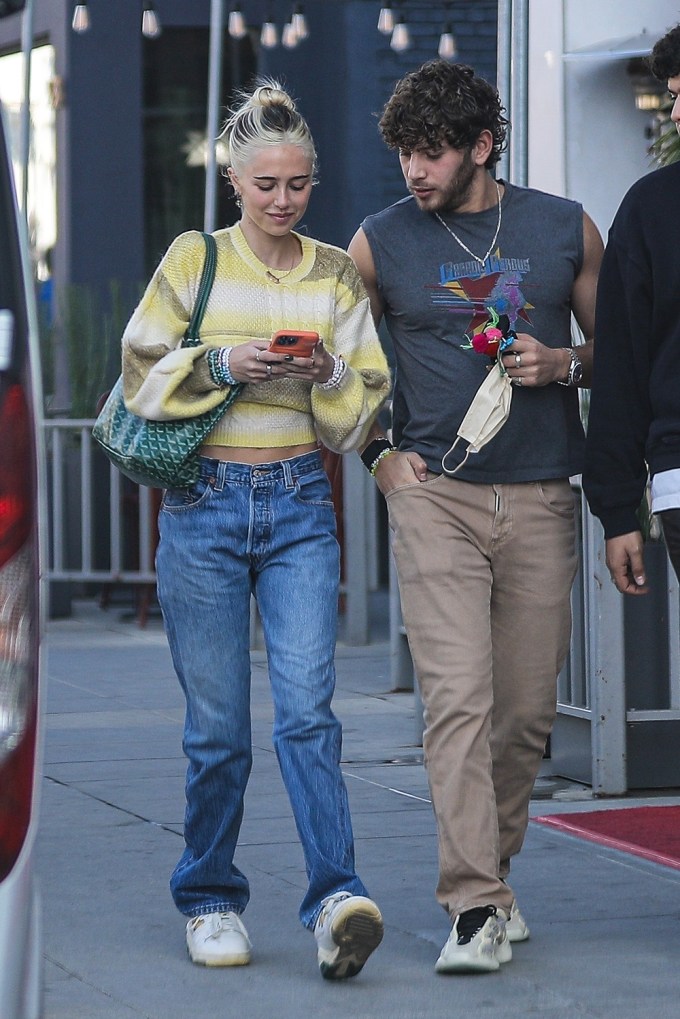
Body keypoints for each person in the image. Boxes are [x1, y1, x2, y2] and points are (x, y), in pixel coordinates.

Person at [120, 80, 390, 979]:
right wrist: (223, 362)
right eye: (267, 184)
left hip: (300, 507)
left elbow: (361, 413)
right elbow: (138, 373)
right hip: (201, 504)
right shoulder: (194, 259)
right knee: (219, 728)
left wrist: (321, 372)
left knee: (309, 713)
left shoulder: (333, 273)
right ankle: (208, 896)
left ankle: (335, 898)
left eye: (300, 184)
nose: (284, 200)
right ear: (234, 180)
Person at [348, 59, 603, 974]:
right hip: (436, 497)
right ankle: (472, 905)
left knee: (525, 714)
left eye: (430, 153)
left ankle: (493, 872)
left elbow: (622, 346)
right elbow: (343, 366)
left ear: (482, 147)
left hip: (541, 493)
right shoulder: (378, 242)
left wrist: (564, 364)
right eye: (403, 154)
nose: (413, 171)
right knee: (456, 698)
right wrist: (381, 456)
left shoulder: (563, 227)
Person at [583, 24, 680, 593]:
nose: (675, 114)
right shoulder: (651, 209)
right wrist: (618, 509)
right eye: (671, 96)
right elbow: (622, 365)